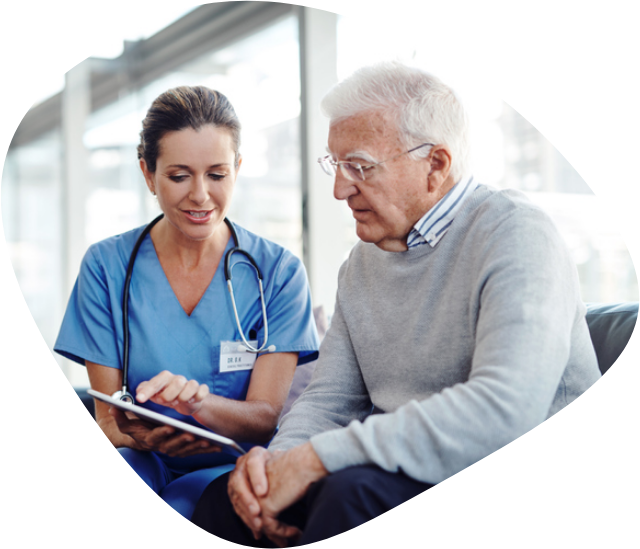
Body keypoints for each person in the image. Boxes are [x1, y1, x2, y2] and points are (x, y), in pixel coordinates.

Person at [190, 62, 602, 546]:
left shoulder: (516, 233)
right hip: (398, 468)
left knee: (349, 495)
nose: (340, 189)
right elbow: (328, 399)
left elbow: (506, 408)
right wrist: (277, 467)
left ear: (436, 165)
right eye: (335, 165)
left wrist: (319, 459)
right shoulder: (361, 264)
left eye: (360, 167)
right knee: (226, 501)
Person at [54, 86, 319, 521]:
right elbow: (107, 420)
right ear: (147, 173)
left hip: (231, 463)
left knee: (186, 505)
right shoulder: (106, 266)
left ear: (237, 168)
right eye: (179, 176)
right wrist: (140, 437)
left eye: (217, 175)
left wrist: (198, 408)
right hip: (140, 456)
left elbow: (265, 418)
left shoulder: (278, 272)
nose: (200, 195)